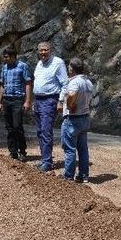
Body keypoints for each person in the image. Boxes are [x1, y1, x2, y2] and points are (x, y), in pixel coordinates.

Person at [31, 42, 68, 172]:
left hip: (50, 100)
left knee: (46, 131)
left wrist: (61, 101)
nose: (42, 52)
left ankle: (47, 162)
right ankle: (44, 159)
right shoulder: (39, 64)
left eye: (45, 50)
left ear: (50, 50)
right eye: (40, 50)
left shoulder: (58, 63)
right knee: (40, 131)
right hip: (38, 100)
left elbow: (65, 84)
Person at [59, 58, 94, 183]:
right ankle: (83, 175)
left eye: (69, 67)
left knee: (69, 149)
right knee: (83, 148)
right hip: (84, 117)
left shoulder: (75, 82)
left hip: (72, 119)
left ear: (71, 69)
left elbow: (72, 95)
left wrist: (69, 105)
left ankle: (68, 176)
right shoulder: (88, 82)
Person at [0, 47, 32, 162]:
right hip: (7, 100)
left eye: (6, 57)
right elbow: (2, 85)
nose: (4, 59)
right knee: (9, 127)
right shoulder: (4, 68)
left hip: (18, 100)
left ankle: (22, 151)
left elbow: (28, 83)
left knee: (17, 126)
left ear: (13, 56)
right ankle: (13, 152)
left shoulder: (22, 66)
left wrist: (27, 101)